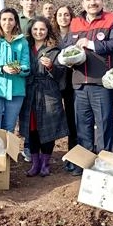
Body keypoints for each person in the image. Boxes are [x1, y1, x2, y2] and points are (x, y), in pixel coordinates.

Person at [64, 0, 113, 174]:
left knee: (104, 127)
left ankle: (104, 168)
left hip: (101, 84)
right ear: (82, 3)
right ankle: (85, 167)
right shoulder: (75, 22)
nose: (92, 3)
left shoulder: (112, 19)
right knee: (82, 128)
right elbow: (67, 46)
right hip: (79, 84)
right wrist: (66, 57)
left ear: (102, 1)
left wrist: (90, 44)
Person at [25, 17, 68, 177]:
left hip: (49, 92)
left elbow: (61, 74)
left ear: (48, 31)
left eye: (42, 29)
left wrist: (51, 66)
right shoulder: (25, 48)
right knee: (32, 129)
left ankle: (45, 164)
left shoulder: (55, 50)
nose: (39, 32)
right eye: (35, 29)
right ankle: (35, 163)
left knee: (48, 127)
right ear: (31, 31)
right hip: (31, 92)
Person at [0, 7, 30, 132]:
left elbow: (26, 66)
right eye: (4, 19)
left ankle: (7, 146)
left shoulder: (22, 42)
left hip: (16, 91)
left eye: (10, 19)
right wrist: (2, 68)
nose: (7, 22)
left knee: (9, 128)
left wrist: (19, 69)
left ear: (15, 22)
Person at [17, 0, 40, 162]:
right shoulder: (15, 20)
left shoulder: (40, 21)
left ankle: (29, 145)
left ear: (37, 3)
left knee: (32, 110)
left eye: (33, 0)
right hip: (16, 71)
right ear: (21, 2)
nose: (30, 2)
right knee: (18, 109)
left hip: (35, 70)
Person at [54, 5, 78, 152]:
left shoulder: (77, 34)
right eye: (60, 15)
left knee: (72, 117)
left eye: (66, 14)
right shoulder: (51, 35)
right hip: (55, 80)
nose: (63, 18)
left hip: (71, 80)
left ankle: (73, 151)